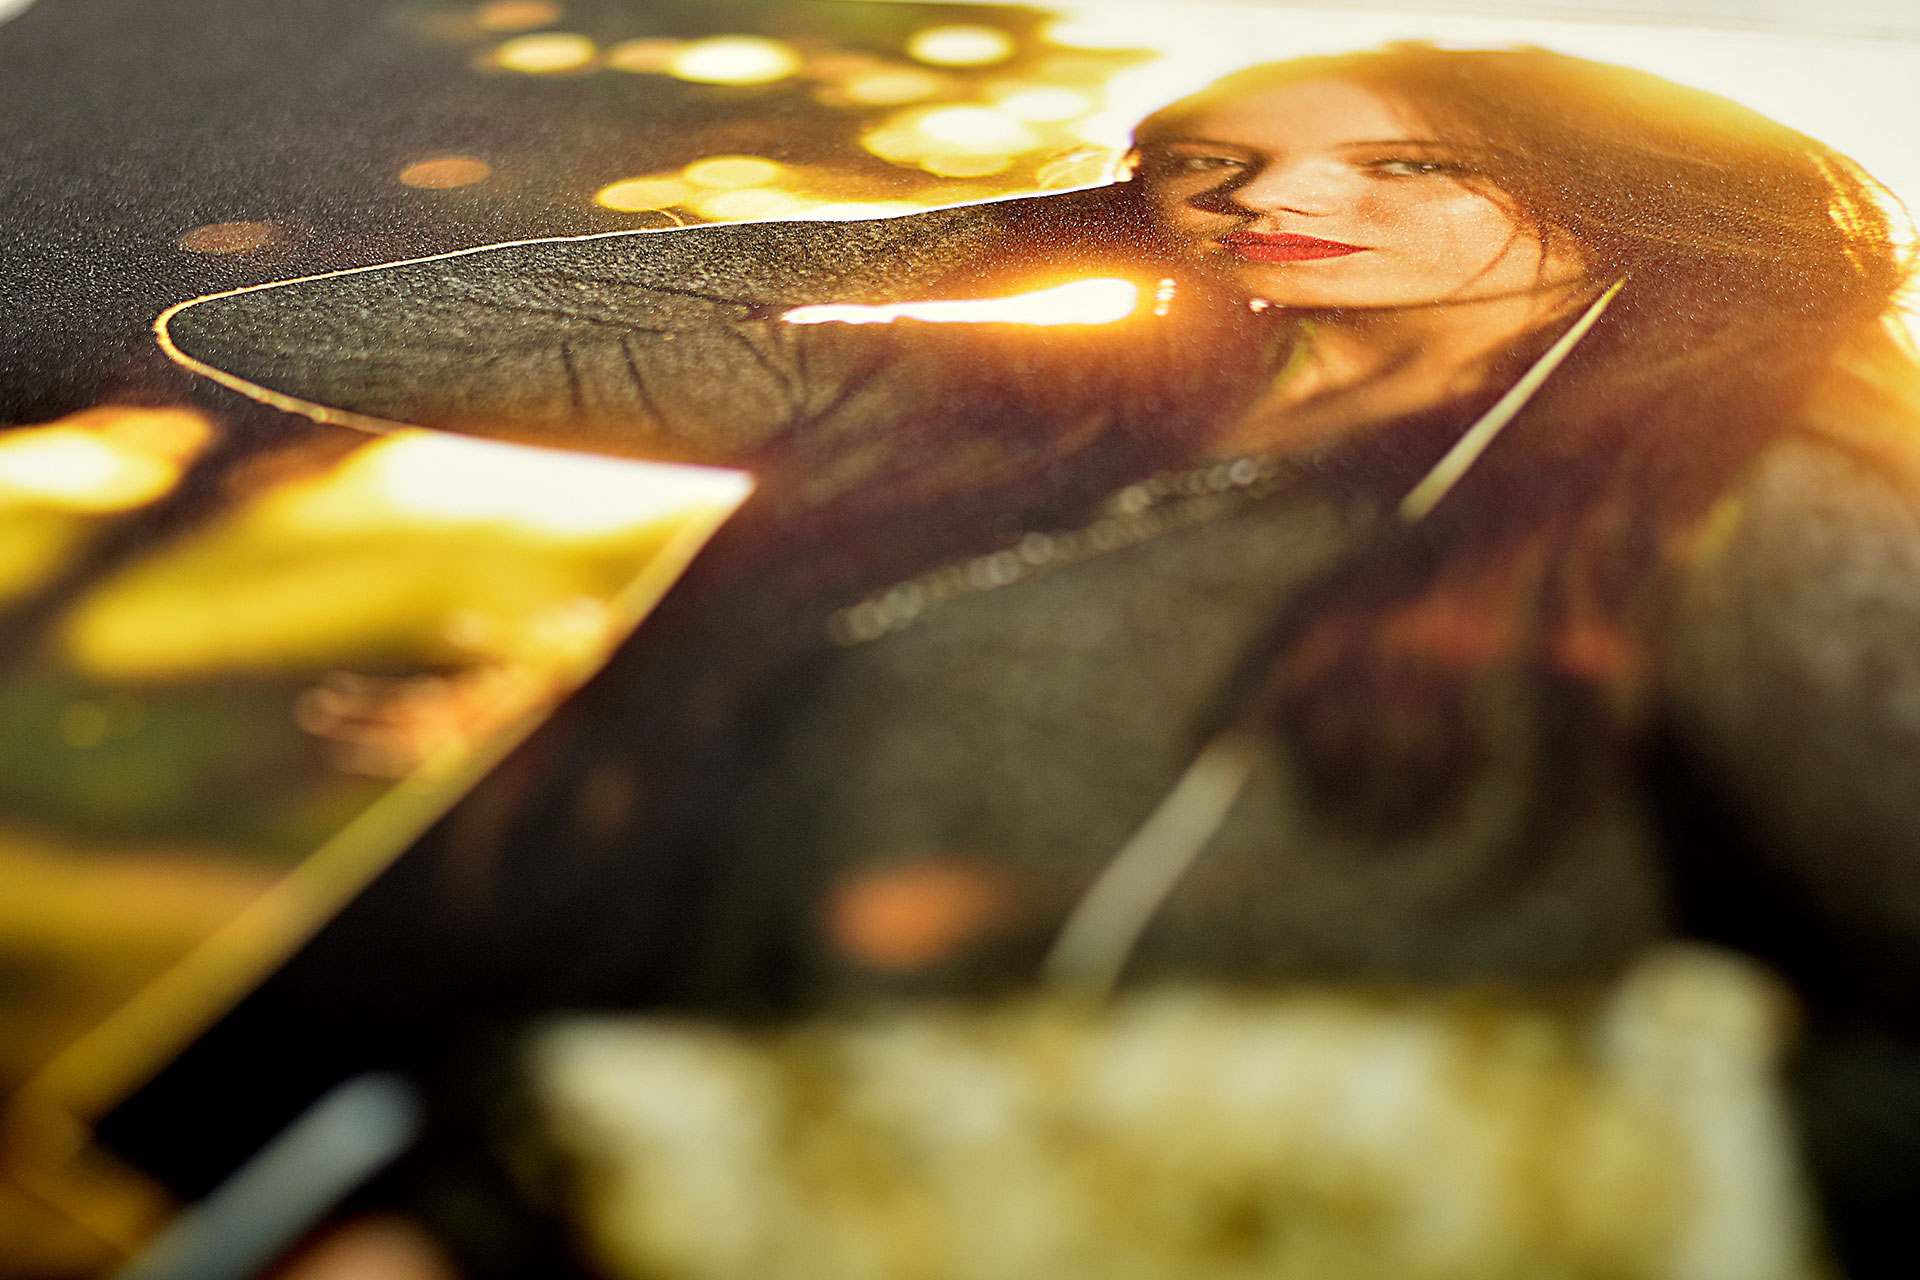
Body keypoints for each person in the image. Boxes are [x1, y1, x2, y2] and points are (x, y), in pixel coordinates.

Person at [145, 43, 1920, 1271]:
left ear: (1630, 200)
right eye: (1216, 159)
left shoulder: (1742, 496)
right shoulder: (966, 395)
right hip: (559, 1158)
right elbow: (320, 330)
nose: (1281, 192)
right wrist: (1038, 228)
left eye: (1412, 164)